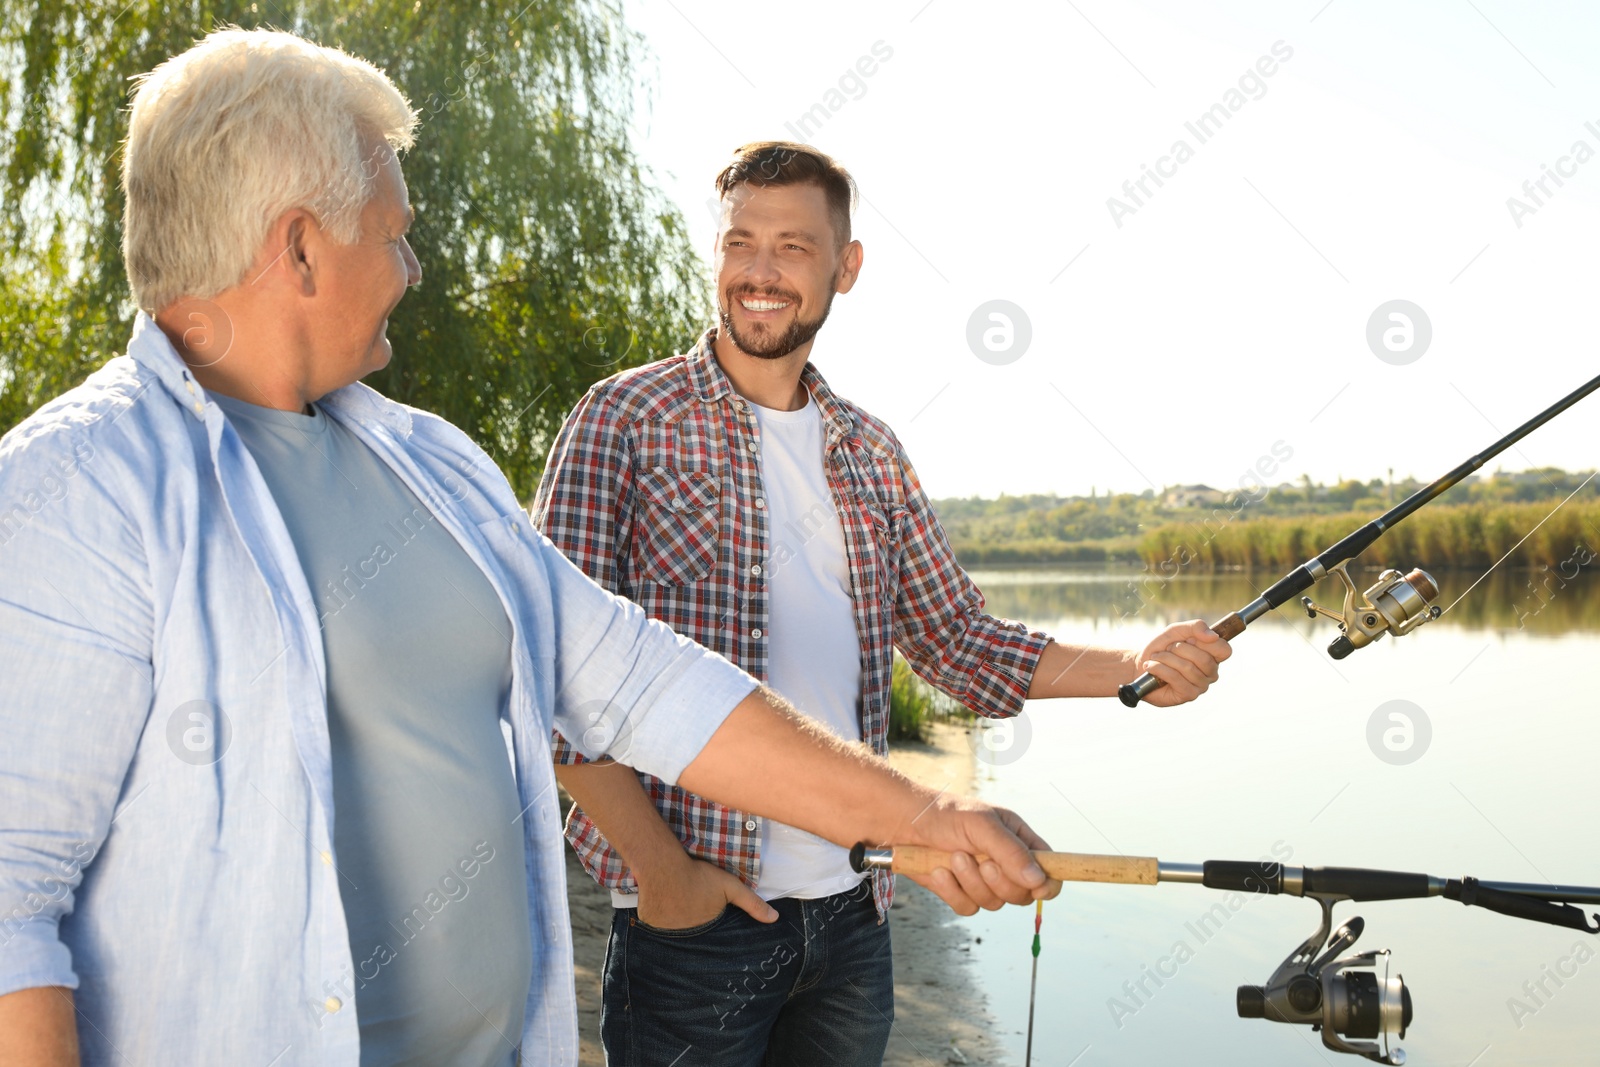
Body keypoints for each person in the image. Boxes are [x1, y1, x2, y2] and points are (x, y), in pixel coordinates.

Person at [0, 34, 1060, 1067]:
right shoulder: (74, 491)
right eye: (392, 231)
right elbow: (9, 902)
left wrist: (924, 810)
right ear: (302, 245)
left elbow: (641, 679)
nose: (410, 268)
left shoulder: (432, 462)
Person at [534, 141, 1234, 1066]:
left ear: (845, 266)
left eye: (791, 246)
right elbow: (550, 671)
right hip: (695, 921)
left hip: (855, 913)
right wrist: (665, 877)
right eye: (740, 242)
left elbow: (958, 639)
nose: (759, 271)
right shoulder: (623, 419)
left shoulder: (872, 450)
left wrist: (1133, 671)